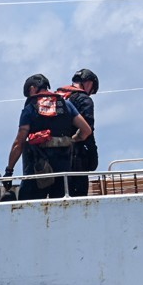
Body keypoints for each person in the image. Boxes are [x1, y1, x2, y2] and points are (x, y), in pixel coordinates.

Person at [4, 74, 92, 201]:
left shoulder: (29, 109)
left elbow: (19, 143)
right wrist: (73, 139)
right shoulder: (66, 105)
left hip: (37, 171)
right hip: (63, 171)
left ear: (33, 88)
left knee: (30, 208)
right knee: (61, 209)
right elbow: (86, 131)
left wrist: (9, 171)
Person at [57, 68, 99, 196]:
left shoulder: (56, 97)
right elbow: (87, 131)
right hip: (74, 158)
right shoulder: (83, 100)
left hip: (52, 157)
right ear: (89, 83)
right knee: (77, 199)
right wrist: (93, 156)